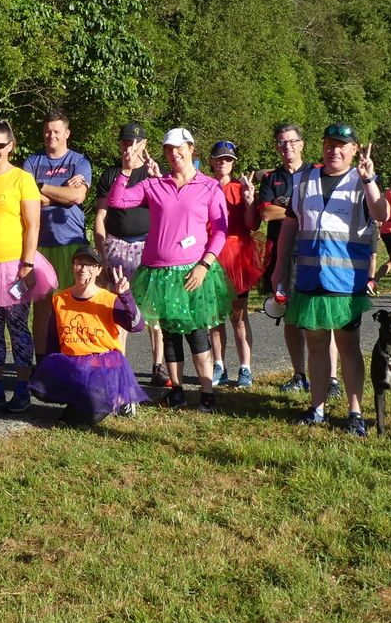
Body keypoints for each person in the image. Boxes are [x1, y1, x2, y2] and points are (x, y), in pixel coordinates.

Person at [271, 124, 387, 435]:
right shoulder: (305, 179)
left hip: (346, 282)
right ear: (321, 146)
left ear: (354, 149)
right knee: (317, 345)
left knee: (348, 346)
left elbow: (381, 214)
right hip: (310, 279)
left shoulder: (361, 181)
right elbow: (290, 226)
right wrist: (279, 267)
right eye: (330, 144)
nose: (335, 150)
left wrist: (369, 179)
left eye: (342, 145)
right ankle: (317, 408)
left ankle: (355, 413)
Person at [106, 128, 231, 413]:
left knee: (197, 332)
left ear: (191, 148)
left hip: (194, 272)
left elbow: (221, 231)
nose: (174, 154)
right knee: (170, 333)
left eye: (179, 148)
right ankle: (176, 390)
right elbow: (117, 202)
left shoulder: (209, 186)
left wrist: (204, 264)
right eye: (168, 149)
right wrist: (126, 170)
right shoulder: (155, 185)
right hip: (159, 273)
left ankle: (207, 392)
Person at [0, 121, 57, 413]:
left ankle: (21, 389)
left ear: (11, 147)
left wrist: (27, 264)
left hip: (15, 268)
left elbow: (33, 225)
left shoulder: (21, 179)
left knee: (18, 329)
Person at [29, 244, 149, 425]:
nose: (83, 269)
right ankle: (87, 398)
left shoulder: (108, 300)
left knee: (86, 414)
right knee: (40, 389)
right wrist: (49, 369)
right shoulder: (60, 299)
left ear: (98, 270)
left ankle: (115, 398)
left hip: (102, 365)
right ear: (73, 266)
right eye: (79, 264)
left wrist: (125, 296)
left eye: (90, 265)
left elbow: (137, 326)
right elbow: (54, 340)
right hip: (72, 362)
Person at [93, 122, 165, 385]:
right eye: (125, 142)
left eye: (135, 142)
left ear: (144, 144)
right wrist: (101, 252)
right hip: (117, 247)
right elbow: (101, 215)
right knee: (119, 306)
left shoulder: (154, 174)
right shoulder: (110, 175)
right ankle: (118, 364)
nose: (129, 147)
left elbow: (165, 209)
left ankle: (158, 366)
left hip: (147, 247)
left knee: (152, 309)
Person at [22, 110, 92, 362]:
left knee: (71, 306)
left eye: (56, 131)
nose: (51, 135)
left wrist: (41, 187)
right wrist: (60, 191)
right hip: (39, 245)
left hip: (71, 243)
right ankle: (41, 363)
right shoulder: (32, 162)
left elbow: (77, 197)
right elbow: (27, 198)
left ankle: (72, 358)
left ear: (67, 133)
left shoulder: (79, 162)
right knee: (41, 309)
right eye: (47, 131)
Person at [258, 124, 315, 394]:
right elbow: (266, 213)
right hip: (283, 253)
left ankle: (330, 380)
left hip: (313, 252)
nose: (287, 147)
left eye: (292, 141)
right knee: (290, 316)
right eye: (282, 142)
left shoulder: (317, 173)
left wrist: (286, 208)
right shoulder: (271, 178)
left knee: (319, 317)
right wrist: (301, 210)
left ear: (302, 144)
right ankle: (299, 374)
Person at [207, 141, 262, 388]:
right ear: (211, 161)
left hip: (237, 255)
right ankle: (218, 364)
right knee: (215, 316)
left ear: (233, 162)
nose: (223, 163)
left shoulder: (241, 188)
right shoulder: (203, 186)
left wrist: (250, 201)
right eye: (219, 158)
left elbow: (253, 225)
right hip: (210, 255)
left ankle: (245, 367)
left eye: (228, 159)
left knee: (238, 316)